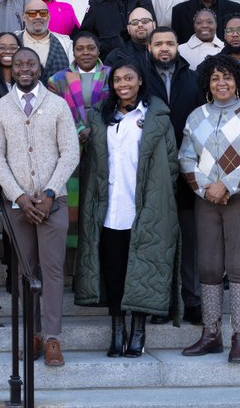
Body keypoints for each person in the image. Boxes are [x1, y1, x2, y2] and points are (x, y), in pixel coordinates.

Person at [75, 63, 179, 357]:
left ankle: (139, 329)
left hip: (146, 205)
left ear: (140, 81)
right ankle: (117, 329)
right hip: (109, 207)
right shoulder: (100, 117)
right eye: (117, 79)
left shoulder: (155, 116)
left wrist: (164, 198)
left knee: (141, 268)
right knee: (115, 270)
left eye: (128, 78)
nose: (123, 84)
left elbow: (171, 162)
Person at [0, 48, 80, 367]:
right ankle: (34, 334)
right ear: (10, 68)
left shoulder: (57, 105)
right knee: (28, 273)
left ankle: (52, 337)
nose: (25, 68)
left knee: (52, 271)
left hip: (54, 202)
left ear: (40, 69)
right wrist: (20, 196)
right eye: (19, 64)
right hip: (18, 206)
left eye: (31, 64)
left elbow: (69, 152)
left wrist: (50, 191)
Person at [179, 54, 240, 364]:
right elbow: (186, 158)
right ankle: (211, 334)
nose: (222, 83)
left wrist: (227, 186)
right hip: (207, 198)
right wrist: (207, 187)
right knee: (207, 266)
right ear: (207, 83)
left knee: (238, 265)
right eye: (215, 78)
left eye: (228, 77)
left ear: (237, 81)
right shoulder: (196, 117)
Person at [145, 25, 202, 326]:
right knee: (159, 239)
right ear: (150, 48)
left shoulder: (193, 79)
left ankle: (192, 300)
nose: (164, 48)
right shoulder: (139, 81)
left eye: (169, 43)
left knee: (191, 241)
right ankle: (161, 302)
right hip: (153, 173)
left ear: (178, 46)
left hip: (189, 173)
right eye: (158, 44)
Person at [47, 31, 110, 260]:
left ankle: (98, 259)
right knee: (74, 206)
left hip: (105, 148)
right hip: (69, 149)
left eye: (90, 48)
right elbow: (53, 115)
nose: (85, 53)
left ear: (98, 50)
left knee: (100, 201)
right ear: (73, 52)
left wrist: (95, 130)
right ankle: (74, 265)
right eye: (80, 48)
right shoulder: (57, 80)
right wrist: (78, 132)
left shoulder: (112, 76)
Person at [16, 0, 72, 81]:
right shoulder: (13, 41)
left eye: (43, 13)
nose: (38, 17)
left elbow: (74, 76)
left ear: (49, 16)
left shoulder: (66, 43)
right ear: (24, 17)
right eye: (32, 13)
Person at [104, 6, 155, 75]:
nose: (140, 25)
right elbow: (103, 83)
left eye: (145, 21)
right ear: (128, 28)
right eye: (134, 22)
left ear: (154, 25)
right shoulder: (115, 57)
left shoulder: (165, 52)